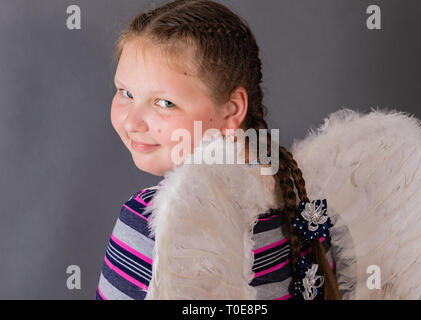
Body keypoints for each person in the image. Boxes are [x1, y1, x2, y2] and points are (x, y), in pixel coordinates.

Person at [96, 0, 340, 300]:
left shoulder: (152, 225)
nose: (131, 121)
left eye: (165, 103)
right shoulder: (302, 199)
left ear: (232, 110)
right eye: (126, 93)